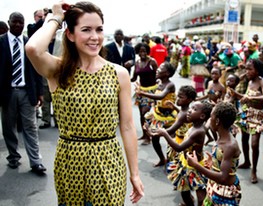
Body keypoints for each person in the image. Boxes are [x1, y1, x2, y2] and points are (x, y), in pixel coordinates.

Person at [25, 2, 144, 204]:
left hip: (108, 160)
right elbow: (33, 48)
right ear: (70, 34)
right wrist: (56, 18)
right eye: (86, 30)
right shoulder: (58, 69)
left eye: (99, 29)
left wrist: (135, 173)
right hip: (70, 162)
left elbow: (127, 126)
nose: (94, 37)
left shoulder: (119, 74)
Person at [1, 11, 46, 174]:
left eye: (21, 22)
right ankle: (13, 157)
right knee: (8, 127)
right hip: (7, 93)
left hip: (27, 92)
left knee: (31, 127)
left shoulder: (29, 44)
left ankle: (36, 162)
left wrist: (40, 92)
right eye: (15, 22)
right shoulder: (1, 42)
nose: (18, 25)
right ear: (9, 22)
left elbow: (36, 70)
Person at [150, 101, 212, 206]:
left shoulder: (198, 131)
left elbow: (179, 148)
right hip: (185, 163)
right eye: (190, 108)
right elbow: (208, 123)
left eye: (194, 109)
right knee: (184, 191)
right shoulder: (195, 126)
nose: (189, 111)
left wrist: (165, 133)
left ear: (202, 116)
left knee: (201, 196)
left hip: (196, 166)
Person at [187, 102, 243, 206]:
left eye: (211, 116)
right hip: (214, 186)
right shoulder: (221, 137)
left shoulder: (229, 145)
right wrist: (213, 163)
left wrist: (196, 165)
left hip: (224, 192)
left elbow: (223, 177)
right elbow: (223, 164)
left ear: (217, 121)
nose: (209, 120)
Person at [230, 59, 263, 184]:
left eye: (250, 69)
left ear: (257, 70)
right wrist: (236, 93)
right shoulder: (249, 81)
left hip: (257, 116)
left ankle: (254, 170)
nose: (247, 71)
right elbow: (244, 96)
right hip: (246, 113)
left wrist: (251, 97)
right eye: (246, 69)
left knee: (254, 144)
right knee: (244, 139)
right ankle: (247, 161)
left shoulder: (261, 82)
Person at [136, 62, 176, 163]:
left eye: (160, 68)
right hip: (158, 115)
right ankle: (162, 159)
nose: (157, 70)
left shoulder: (170, 85)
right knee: (154, 138)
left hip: (169, 117)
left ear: (167, 73)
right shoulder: (158, 82)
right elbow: (156, 97)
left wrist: (143, 93)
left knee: (170, 139)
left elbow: (161, 96)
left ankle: (171, 160)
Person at [131, 42, 158, 142]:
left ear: (148, 51)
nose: (143, 53)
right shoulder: (137, 63)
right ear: (137, 52)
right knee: (141, 114)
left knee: (145, 112)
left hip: (151, 91)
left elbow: (159, 74)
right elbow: (134, 78)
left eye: (145, 51)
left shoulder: (152, 62)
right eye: (141, 51)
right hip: (141, 91)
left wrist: (160, 86)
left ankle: (149, 134)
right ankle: (144, 135)